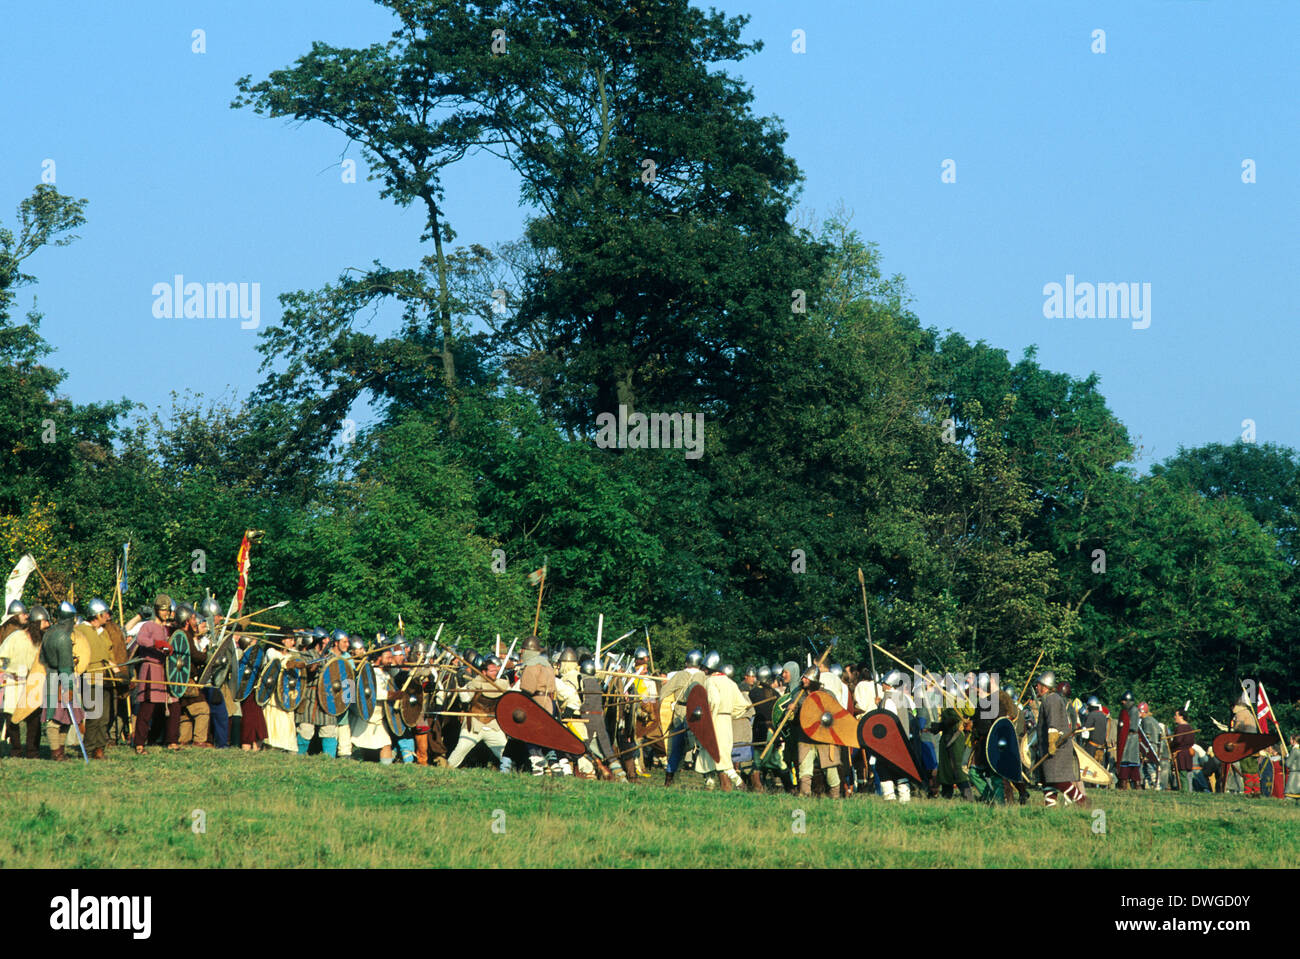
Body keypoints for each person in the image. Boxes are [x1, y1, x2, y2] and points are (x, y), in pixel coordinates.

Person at [132, 595, 181, 754]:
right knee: (147, 708)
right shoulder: (148, 626)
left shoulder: (166, 629)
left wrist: (168, 648)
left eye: (168, 610)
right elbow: (141, 639)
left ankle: (172, 741)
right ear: (156, 610)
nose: (166, 613)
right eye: (163, 609)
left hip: (166, 670)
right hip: (151, 670)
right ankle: (139, 743)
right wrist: (156, 644)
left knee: (174, 705)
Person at [446, 655, 512, 771]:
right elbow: (465, 699)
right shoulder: (475, 683)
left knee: (504, 752)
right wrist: (461, 686)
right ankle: (446, 770)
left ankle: (510, 772)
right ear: (484, 672)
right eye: (491, 671)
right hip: (474, 724)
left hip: (493, 725)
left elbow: (512, 699)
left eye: (495, 670)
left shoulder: (502, 684)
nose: (495, 672)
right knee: (460, 749)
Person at [1034, 671, 1086, 808]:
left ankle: (1081, 800)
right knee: (1048, 780)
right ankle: (1050, 807)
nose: (1036, 688)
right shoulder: (1049, 699)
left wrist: (1051, 743)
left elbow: (1054, 723)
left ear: (1044, 686)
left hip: (1057, 748)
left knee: (1058, 780)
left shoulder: (1052, 700)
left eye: (1038, 685)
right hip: (1050, 747)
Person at [1, 601, 43, 757]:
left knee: (33, 718)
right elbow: (3, 657)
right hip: (13, 681)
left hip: (32, 682)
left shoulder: (39, 640)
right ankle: (16, 749)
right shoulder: (15, 637)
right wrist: (5, 672)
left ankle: (32, 750)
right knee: (12, 717)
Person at [659, 649, 706, 786]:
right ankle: (709, 779)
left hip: (680, 712)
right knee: (701, 747)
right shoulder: (703, 676)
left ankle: (669, 779)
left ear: (687, 662)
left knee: (676, 747)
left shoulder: (679, 675)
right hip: (698, 715)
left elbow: (664, 692)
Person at [82, 598, 122, 759]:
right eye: (105, 613)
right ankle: (90, 748)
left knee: (105, 716)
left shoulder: (103, 632)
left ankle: (100, 748)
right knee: (94, 715)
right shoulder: (81, 630)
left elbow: (109, 654)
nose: (108, 616)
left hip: (106, 676)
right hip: (90, 676)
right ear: (97, 614)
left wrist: (118, 671)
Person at [40, 602, 80, 760]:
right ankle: (56, 753)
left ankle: (60, 752)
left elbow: (42, 658)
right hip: (61, 680)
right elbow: (64, 666)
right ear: (70, 620)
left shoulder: (49, 633)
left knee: (65, 718)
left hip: (50, 675)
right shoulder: (63, 637)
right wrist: (68, 687)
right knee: (55, 718)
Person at [1228, 692, 1261, 796]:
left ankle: (1247, 791)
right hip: (1253, 745)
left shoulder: (1241, 714)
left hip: (1245, 745)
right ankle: (1256, 791)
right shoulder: (1249, 713)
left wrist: (1232, 729)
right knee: (1253, 770)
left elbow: (1239, 728)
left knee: (1246, 770)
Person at [1115, 691, 1141, 790]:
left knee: (1130, 762)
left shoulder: (1134, 710)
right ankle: (1123, 783)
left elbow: (1131, 726)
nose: (1123, 702)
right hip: (1126, 737)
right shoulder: (1126, 711)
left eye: (1125, 700)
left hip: (1131, 738)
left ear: (1129, 701)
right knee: (1125, 760)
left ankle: (1135, 784)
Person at [1170, 709, 1195, 792]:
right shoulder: (1190, 727)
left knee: (1182, 774)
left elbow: (1178, 741)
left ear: (1181, 716)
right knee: (1185, 774)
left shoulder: (1180, 728)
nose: (1174, 717)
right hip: (1187, 753)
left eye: (1176, 715)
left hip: (1181, 754)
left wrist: (1171, 745)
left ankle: (1184, 791)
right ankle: (1186, 790)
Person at [1285, 734, 1300, 801]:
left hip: (1294, 775)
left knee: (1290, 794)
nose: (1290, 741)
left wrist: (1286, 758)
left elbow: (1288, 764)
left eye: (1291, 739)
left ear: (1294, 740)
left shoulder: (1294, 750)